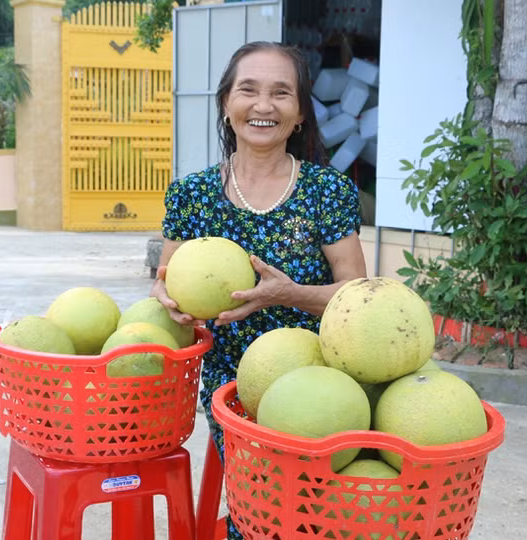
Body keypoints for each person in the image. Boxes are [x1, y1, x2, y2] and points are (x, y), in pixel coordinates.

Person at [151, 41, 366, 538]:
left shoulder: (327, 191)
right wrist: (169, 305)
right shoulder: (192, 194)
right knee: (274, 501)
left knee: (329, 506)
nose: (263, 106)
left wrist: (286, 293)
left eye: (281, 94)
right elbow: (165, 285)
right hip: (235, 385)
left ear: (300, 116)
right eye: (248, 90)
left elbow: (357, 294)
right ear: (227, 105)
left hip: (322, 373)